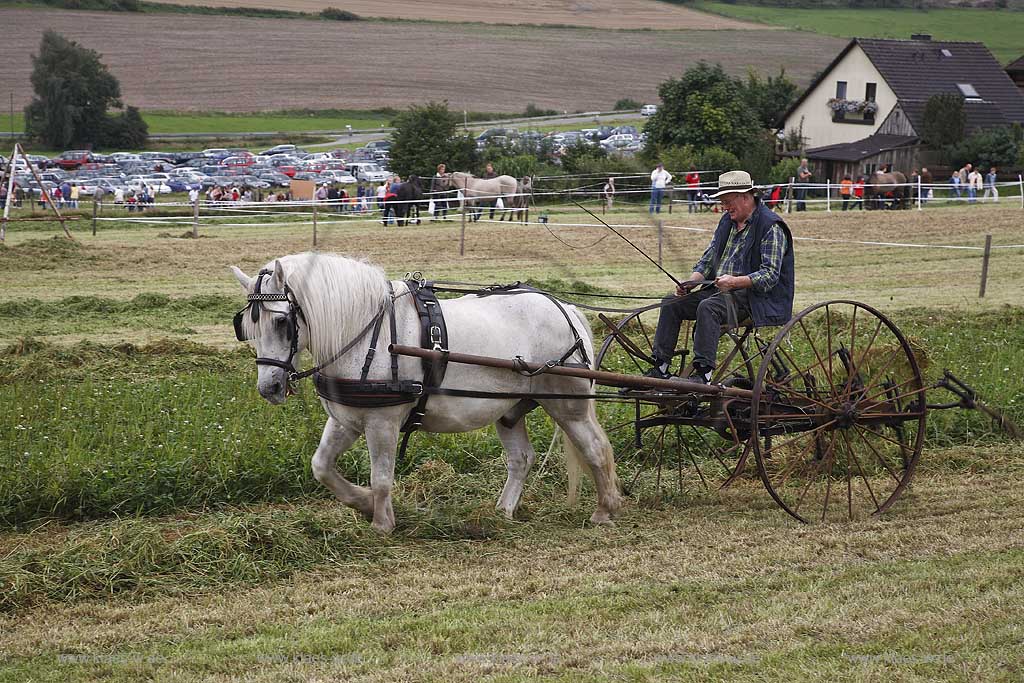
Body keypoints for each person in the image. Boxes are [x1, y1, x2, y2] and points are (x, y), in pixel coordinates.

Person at [645, 170, 794, 383]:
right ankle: (661, 366)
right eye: (723, 202)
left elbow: (770, 276)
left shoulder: (771, 227)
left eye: (728, 201)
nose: (725, 207)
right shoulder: (727, 222)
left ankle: (703, 373)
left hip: (753, 298)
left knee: (708, 308)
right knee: (671, 302)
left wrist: (735, 281)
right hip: (719, 291)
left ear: (746, 196)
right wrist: (691, 282)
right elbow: (708, 260)